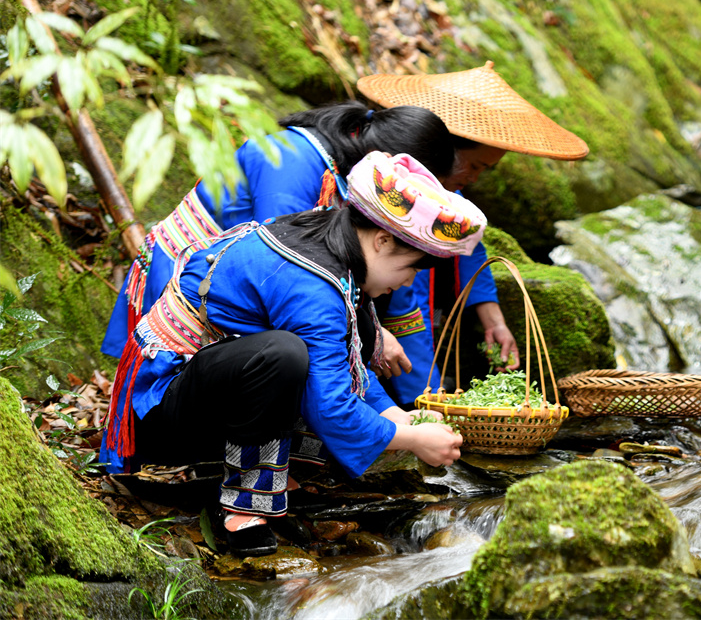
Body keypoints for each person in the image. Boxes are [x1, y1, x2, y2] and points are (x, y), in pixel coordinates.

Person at [100, 152, 484, 557]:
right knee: (284, 355)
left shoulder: (331, 244)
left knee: (300, 361)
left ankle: (276, 473)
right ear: (382, 240)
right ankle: (243, 509)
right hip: (158, 415)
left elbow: (340, 359)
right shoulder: (313, 284)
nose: (407, 281)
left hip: (207, 383)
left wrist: (396, 418)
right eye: (411, 269)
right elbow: (330, 404)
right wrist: (412, 438)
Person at [100, 102, 458, 398]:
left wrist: (425, 395)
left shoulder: (341, 166)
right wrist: (371, 336)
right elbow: (289, 268)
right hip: (190, 287)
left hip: (237, 286)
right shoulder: (294, 161)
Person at [356, 61, 590, 402]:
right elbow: (408, 294)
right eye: (476, 165)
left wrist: (492, 318)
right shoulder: (400, 204)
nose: (476, 178)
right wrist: (428, 396)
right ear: (439, 150)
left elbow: (470, 246)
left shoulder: (447, 196)